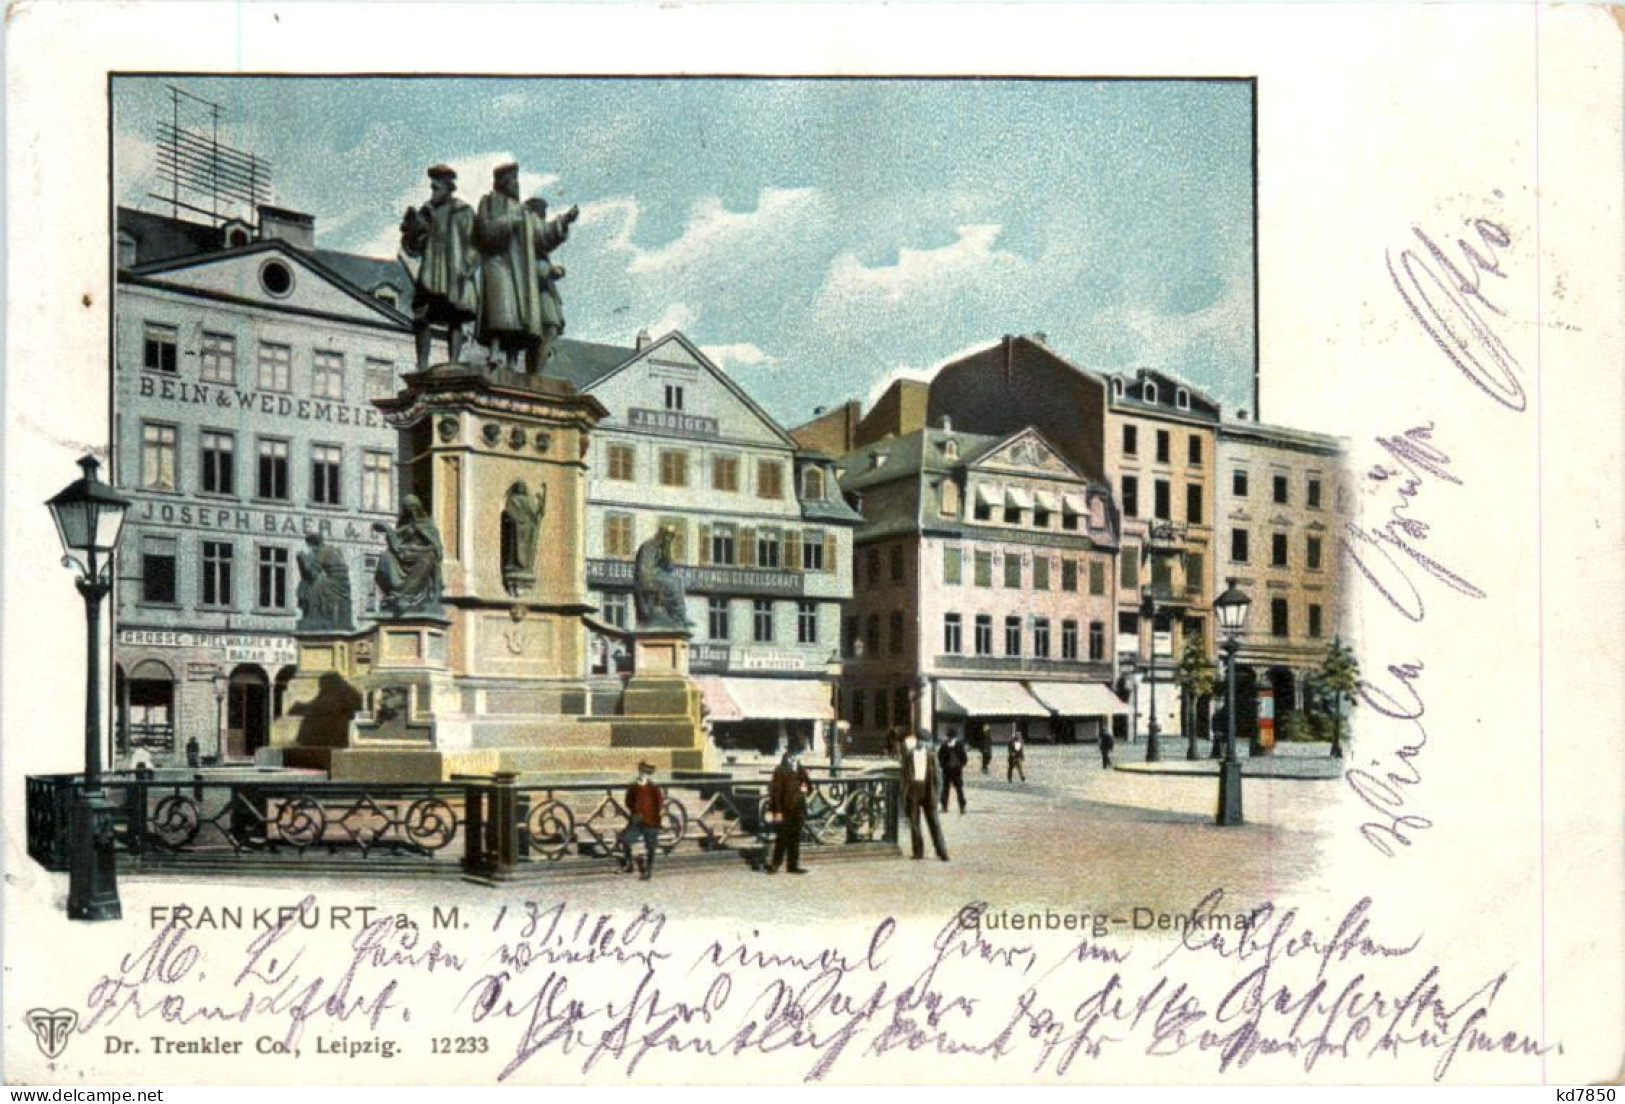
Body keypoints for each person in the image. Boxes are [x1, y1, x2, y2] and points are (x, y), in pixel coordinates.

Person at [473, 162, 579, 372]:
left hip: (520, 272)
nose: (517, 185)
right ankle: (494, 353)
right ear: (503, 182)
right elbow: (484, 231)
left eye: (517, 181)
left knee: (518, 318)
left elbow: (542, 236)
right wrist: (509, 222)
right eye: (513, 181)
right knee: (499, 310)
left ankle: (512, 362)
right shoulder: (488, 202)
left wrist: (563, 222)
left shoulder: (524, 212)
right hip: (498, 264)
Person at [399, 163, 478, 371]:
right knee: (422, 315)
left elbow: (474, 243)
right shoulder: (426, 211)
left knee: (455, 317)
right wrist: (411, 227)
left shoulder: (463, 211)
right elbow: (414, 246)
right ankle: (422, 363)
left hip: (453, 272)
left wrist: (468, 266)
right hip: (431, 273)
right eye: (431, 188)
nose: (432, 192)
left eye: (436, 188)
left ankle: (453, 362)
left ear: (448, 187)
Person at [372, 494, 444, 618]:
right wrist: (387, 529)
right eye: (407, 509)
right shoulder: (404, 525)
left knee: (428, 558)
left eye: (413, 508)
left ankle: (406, 595)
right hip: (404, 555)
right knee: (386, 557)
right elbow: (396, 541)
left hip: (422, 554)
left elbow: (436, 548)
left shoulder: (427, 525)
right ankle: (396, 594)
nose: (411, 512)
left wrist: (417, 548)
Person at [900, 729, 949, 861]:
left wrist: (938, 795)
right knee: (914, 824)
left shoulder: (931, 756)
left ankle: (942, 851)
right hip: (913, 791)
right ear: (916, 741)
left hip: (928, 791)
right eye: (920, 741)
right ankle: (918, 852)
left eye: (924, 741)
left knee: (934, 823)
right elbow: (904, 777)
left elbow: (938, 778)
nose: (922, 744)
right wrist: (904, 794)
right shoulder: (909, 756)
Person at [764, 748, 813, 874]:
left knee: (795, 838)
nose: (795, 758)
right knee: (782, 837)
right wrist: (778, 811)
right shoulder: (780, 769)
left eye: (797, 755)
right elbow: (776, 793)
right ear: (788, 755)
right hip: (785, 809)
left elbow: (809, 786)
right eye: (793, 755)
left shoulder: (800, 768)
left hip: (798, 808)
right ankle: (775, 864)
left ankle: (793, 865)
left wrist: (806, 789)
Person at [632, 525, 689, 629]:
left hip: (657, 575)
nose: (669, 540)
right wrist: (649, 583)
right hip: (648, 577)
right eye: (668, 537)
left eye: (671, 538)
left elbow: (669, 568)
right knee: (672, 584)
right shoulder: (649, 546)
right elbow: (644, 568)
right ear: (662, 535)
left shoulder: (662, 548)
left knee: (679, 581)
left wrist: (667, 551)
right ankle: (678, 616)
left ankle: (680, 616)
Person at [295, 532, 354, 632]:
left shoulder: (322, 551)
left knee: (308, 585)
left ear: (314, 545)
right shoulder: (333, 549)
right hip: (344, 585)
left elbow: (313, 574)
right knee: (314, 582)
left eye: (310, 546)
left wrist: (301, 560)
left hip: (335, 584)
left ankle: (311, 615)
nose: (311, 550)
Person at [620, 761, 664, 881]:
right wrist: (635, 812)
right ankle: (629, 864)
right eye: (642, 771)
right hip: (637, 821)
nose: (643, 774)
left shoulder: (653, 788)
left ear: (649, 774)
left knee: (651, 846)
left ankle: (648, 870)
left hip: (651, 821)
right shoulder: (633, 787)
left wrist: (652, 816)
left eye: (646, 772)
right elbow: (628, 801)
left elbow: (659, 803)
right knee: (625, 839)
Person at [939, 732, 969, 814]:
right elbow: (940, 757)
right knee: (945, 789)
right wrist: (943, 765)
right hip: (947, 771)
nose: (949, 739)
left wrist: (960, 765)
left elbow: (964, 758)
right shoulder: (944, 745)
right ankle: (944, 806)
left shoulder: (959, 745)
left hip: (956, 771)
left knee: (959, 789)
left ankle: (962, 807)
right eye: (949, 737)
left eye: (950, 737)